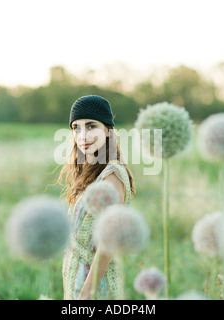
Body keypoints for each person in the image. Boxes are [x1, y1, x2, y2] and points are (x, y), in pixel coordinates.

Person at [57, 95, 135, 300]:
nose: (83, 135)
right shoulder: (88, 172)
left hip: (96, 289)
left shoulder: (111, 175)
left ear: (108, 130)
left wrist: (86, 295)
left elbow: (108, 243)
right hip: (76, 282)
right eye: (77, 128)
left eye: (91, 126)